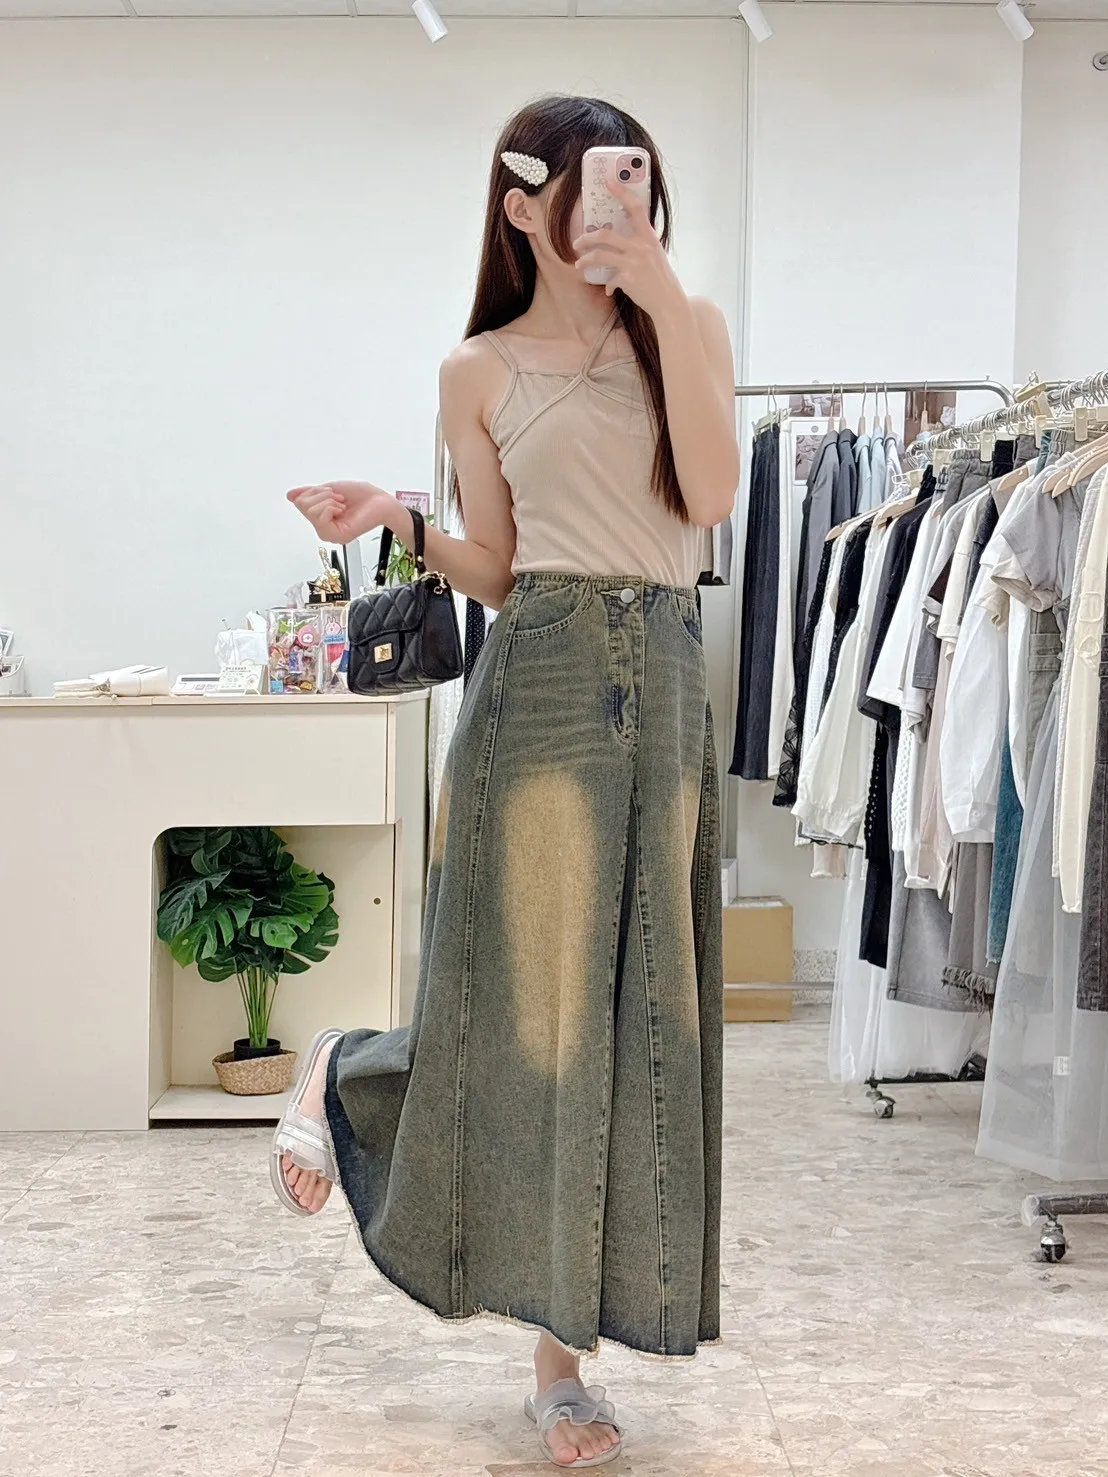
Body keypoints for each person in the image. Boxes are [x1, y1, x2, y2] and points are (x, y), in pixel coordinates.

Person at [275, 94, 738, 1470]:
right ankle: (353, 1075)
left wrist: (660, 293)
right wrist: (400, 521)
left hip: (664, 681)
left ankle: (562, 1360)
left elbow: (709, 500)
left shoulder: (691, 329)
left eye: (635, 182)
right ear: (523, 204)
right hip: (537, 684)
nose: (614, 208)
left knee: (641, 1023)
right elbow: (497, 568)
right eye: (589, 186)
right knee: (535, 1024)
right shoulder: (475, 370)